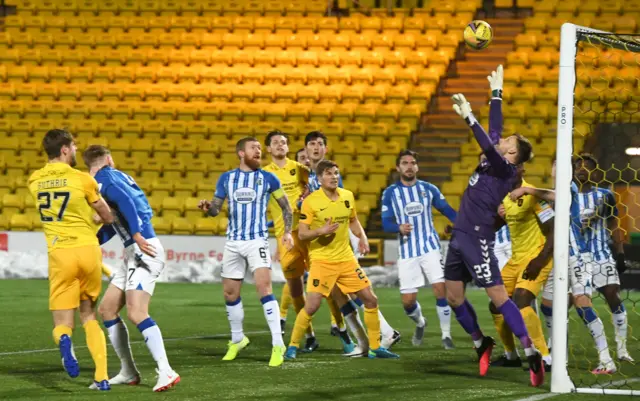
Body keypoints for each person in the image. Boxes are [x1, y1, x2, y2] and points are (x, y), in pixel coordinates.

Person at [444, 65, 544, 387]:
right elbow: (495, 131)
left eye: (509, 142)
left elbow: (489, 143)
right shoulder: (498, 159)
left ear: (513, 154)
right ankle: (480, 342)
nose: (503, 140)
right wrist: (496, 95)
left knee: (500, 296)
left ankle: (530, 352)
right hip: (460, 234)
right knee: (453, 297)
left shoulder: (506, 171)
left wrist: (469, 118)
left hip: (478, 236)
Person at [83, 145, 180, 392]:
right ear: (108, 159)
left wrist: (137, 234)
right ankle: (128, 371)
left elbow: (127, 203)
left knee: (137, 313)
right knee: (107, 310)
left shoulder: (103, 180)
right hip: (133, 252)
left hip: (143, 250)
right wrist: (90, 243)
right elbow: (113, 220)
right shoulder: (113, 178)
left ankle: (166, 370)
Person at [511, 158, 618, 373]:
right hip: (556, 258)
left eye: (563, 166)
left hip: (578, 256)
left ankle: (606, 360)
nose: (557, 170)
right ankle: (557, 355)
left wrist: (527, 190)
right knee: (548, 307)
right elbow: (544, 217)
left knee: (582, 303)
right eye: (554, 165)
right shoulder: (545, 196)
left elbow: (556, 197)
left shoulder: (569, 189)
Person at [284, 160, 399, 360]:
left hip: (346, 260)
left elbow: (353, 220)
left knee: (371, 299)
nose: (334, 177)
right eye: (329, 173)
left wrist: (362, 237)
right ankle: (292, 346)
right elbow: (302, 234)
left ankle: (374, 347)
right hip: (322, 261)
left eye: (336, 173)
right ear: (319, 179)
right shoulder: (311, 202)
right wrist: (322, 230)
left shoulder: (347, 197)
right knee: (312, 306)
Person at [28, 129, 114, 390]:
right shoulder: (83, 180)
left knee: (62, 323)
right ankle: (101, 377)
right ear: (64, 149)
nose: (76, 150)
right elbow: (106, 216)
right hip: (88, 251)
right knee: (88, 316)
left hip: (60, 253)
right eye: (74, 146)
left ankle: (65, 341)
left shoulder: (34, 180)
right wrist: (99, 217)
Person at [198, 137, 293, 367]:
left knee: (264, 289)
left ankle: (278, 343)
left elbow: (286, 208)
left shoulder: (268, 178)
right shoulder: (227, 178)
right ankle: (238, 339)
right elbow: (216, 209)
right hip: (233, 242)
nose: (259, 151)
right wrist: (208, 209)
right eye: (254, 148)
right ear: (241, 153)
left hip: (257, 241)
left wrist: (287, 232)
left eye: (260, 148)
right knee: (230, 294)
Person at [381, 149, 456, 349]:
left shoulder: (428, 189)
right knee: (407, 302)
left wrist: (461, 224)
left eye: (412, 162)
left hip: (430, 247)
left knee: (441, 289)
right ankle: (421, 322)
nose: (409, 166)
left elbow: (447, 209)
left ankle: (446, 336)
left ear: (417, 167)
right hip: (407, 252)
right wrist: (398, 227)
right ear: (398, 168)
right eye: (404, 163)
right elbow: (385, 223)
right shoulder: (390, 193)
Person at [489, 165, 554, 371]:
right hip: (516, 259)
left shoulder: (534, 195)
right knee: (496, 305)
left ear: (522, 170)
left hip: (537, 256)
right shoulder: (506, 198)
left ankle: (545, 357)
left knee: (522, 300)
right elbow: (494, 227)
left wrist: (540, 259)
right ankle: (511, 355)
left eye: (513, 168)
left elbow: (553, 228)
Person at [263, 131, 319, 353]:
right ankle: (309, 334)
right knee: (296, 288)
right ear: (268, 149)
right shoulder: (264, 174)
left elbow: (315, 192)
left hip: (308, 233)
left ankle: (342, 331)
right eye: (275, 143)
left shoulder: (300, 169)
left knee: (327, 284)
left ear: (288, 147)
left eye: (283, 142)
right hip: (285, 237)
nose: (280, 145)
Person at [574, 153, 632, 363]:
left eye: (588, 166)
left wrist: (620, 252)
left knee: (612, 295)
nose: (582, 169)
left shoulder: (604, 195)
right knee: (572, 305)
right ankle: (554, 350)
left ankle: (622, 348)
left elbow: (614, 224)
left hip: (601, 255)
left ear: (595, 172)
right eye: (578, 165)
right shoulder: (564, 195)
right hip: (576, 259)